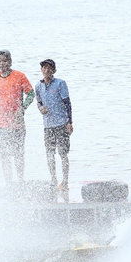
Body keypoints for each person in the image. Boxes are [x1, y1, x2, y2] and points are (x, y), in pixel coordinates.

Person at [0, 50, 34, 183]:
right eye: (0, 61)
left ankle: (20, 180)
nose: (2, 63)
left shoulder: (20, 76)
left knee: (18, 154)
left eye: (5, 61)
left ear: (10, 62)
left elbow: (31, 94)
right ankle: (9, 182)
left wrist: (23, 108)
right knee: (4, 156)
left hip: (16, 123)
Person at [34, 58, 73, 199]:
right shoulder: (38, 86)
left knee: (63, 154)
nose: (46, 70)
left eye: (49, 68)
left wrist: (70, 122)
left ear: (54, 70)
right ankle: (53, 179)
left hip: (61, 123)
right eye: (44, 68)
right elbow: (38, 101)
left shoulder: (60, 84)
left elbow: (67, 103)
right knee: (49, 154)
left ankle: (65, 180)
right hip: (48, 125)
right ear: (41, 70)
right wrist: (40, 108)